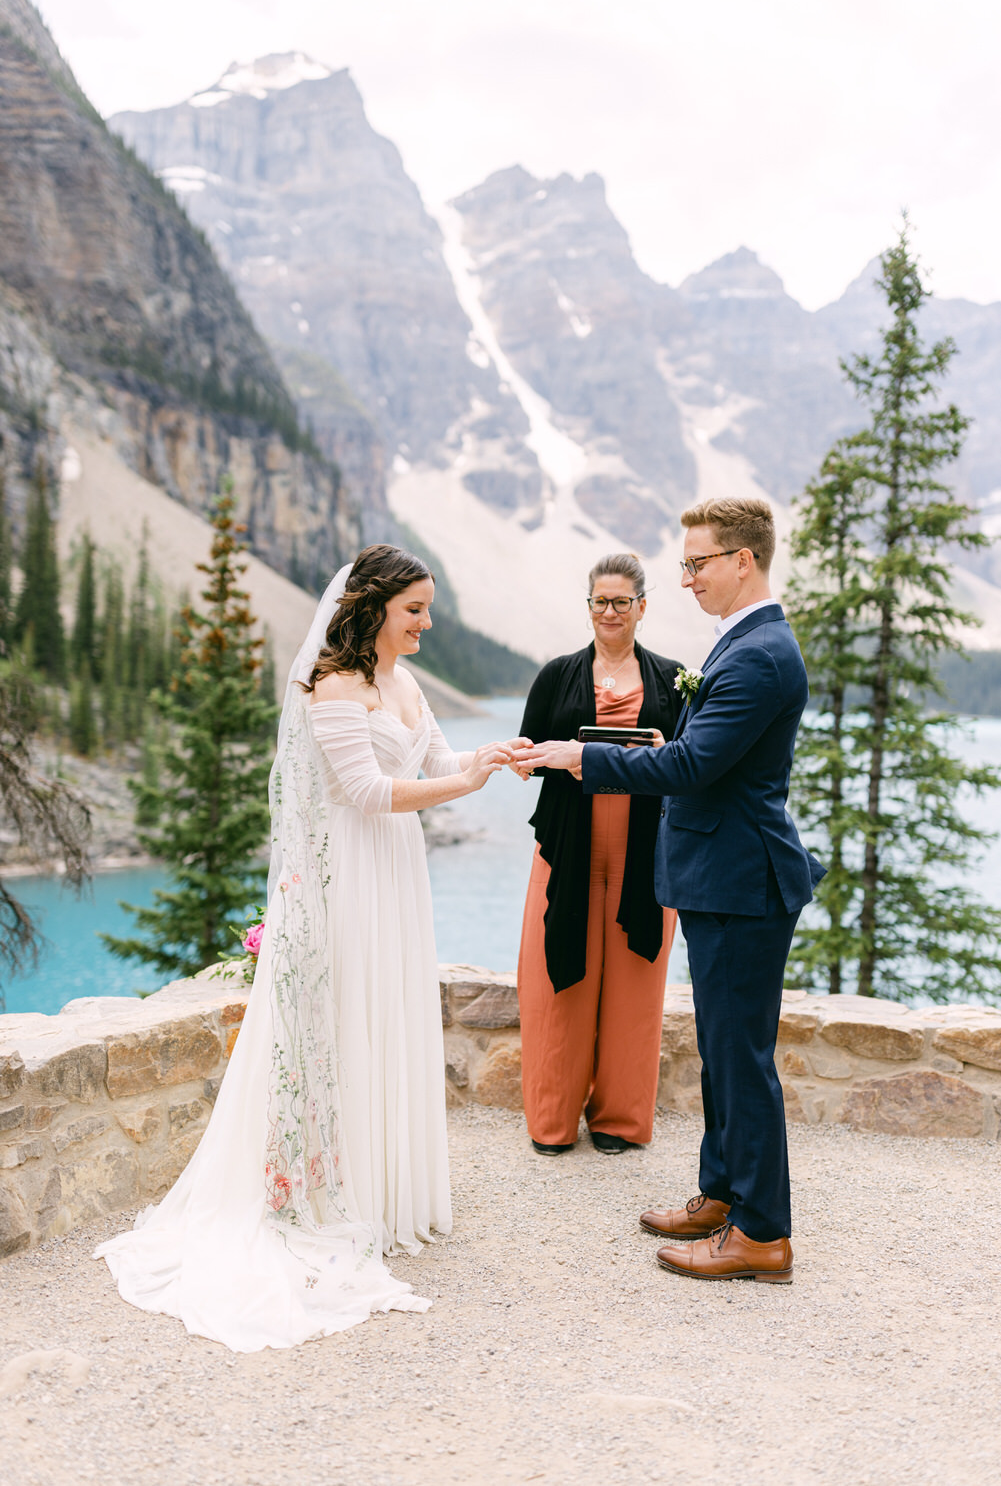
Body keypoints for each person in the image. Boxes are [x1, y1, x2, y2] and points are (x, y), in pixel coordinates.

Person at [96, 545, 521, 1349]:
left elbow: (435, 761)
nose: (426, 625)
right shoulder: (333, 684)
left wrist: (491, 758)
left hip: (397, 875)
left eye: (428, 610)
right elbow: (364, 794)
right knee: (339, 1024)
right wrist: (464, 786)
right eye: (414, 611)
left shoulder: (404, 682)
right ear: (373, 607)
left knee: (388, 1018)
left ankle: (384, 1194)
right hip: (346, 883)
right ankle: (325, 1193)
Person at [517, 499, 823, 1283]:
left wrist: (581, 758)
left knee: (740, 1057)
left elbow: (692, 771)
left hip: (741, 879)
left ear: (742, 562)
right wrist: (666, 741)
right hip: (724, 875)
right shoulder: (743, 643)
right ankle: (721, 1194)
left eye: (697, 563)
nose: (686, 578)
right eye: (683, 565)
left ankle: (761, 1232)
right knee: (724, 1055)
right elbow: (700, 751)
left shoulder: (756, 653)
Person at [517, 553, 683, 1156]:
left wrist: (666, 748)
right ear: (588, 605)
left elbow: (692, 763)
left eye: (620, 602)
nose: (608, 613)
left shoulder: (673, 677)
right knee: (555, 982)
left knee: (636, 986)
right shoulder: (556, 674)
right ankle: (553, 1121)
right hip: (567, 848)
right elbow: (531, 753)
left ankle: (620, 1120)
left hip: (644, 854)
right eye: (599, 602)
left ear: (642, 606)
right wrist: (528, 757)